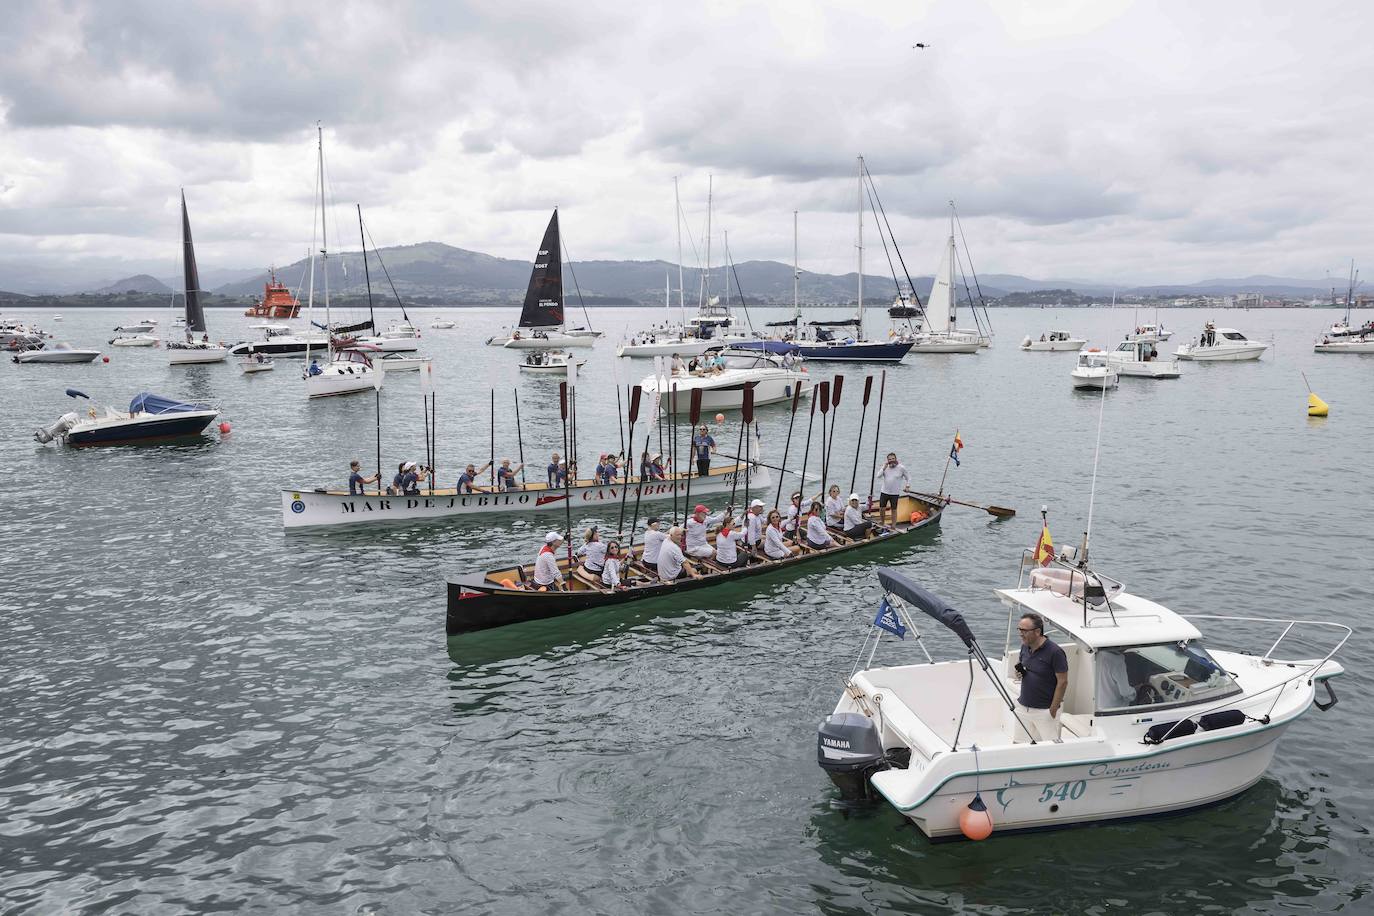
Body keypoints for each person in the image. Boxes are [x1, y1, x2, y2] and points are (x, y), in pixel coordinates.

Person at [1012, 612, 1069, 743]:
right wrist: (1019, 673)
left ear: (1037, 632)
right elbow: (1024, 667)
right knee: (1017, 746)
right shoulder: (1024, 647)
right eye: (1019, 629)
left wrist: (1053, 709)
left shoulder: (1055, 652)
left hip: (1045, 711)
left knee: (1050, 749)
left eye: (1024, 630)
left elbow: (1063, 682)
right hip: (1023, 707)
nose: (1020, 633)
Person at [877, 452, 909, 529]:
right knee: (882, 508)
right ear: (887, 460)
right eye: (890, 459)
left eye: (893, 459)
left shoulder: (901, 468)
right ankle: (882, 521)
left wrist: (907, 486)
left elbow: (908, 478)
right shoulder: (885, 467)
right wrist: (883, 467)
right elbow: (878, 476)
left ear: (896, 459)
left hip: (894, 493)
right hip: (884, 492)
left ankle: (893, 525)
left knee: (894, 509)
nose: (891, 460)